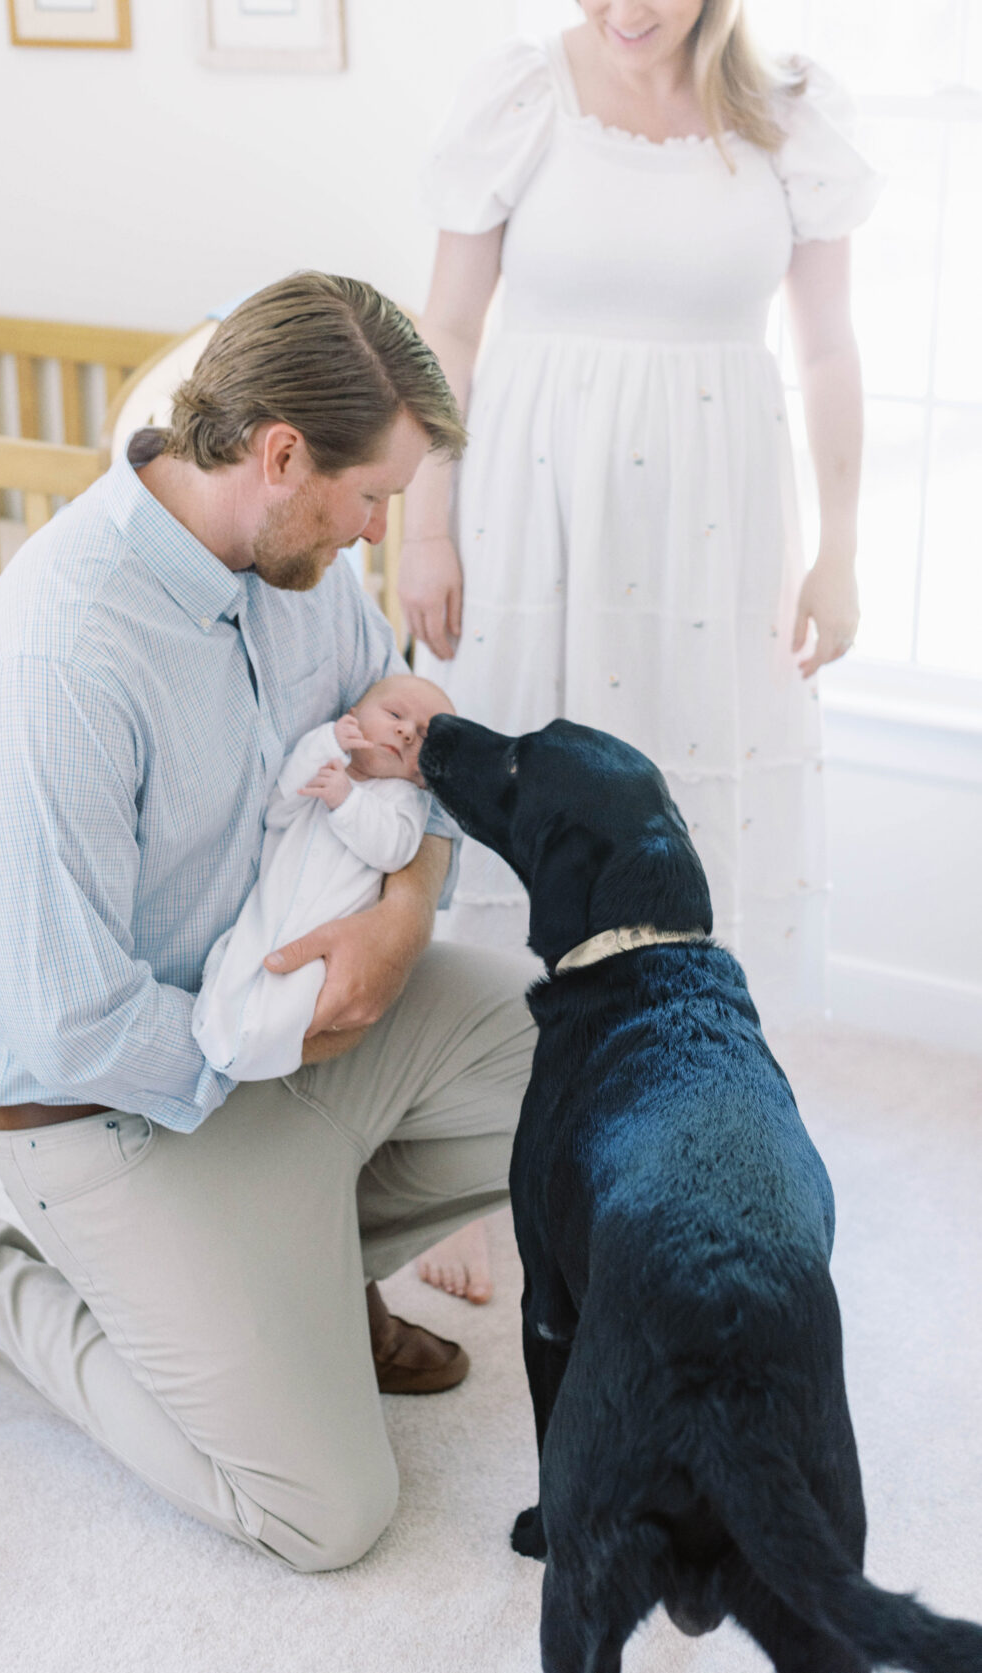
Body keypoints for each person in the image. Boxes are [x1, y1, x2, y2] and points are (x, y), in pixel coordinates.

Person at [0, 274, 537, 1573]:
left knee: (590, 1055)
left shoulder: (301, 568)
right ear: (282, 457)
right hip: (107, 1105)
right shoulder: (55, 667)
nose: (376, 533)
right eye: (372, 501)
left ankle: (292, 1274)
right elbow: (68, 1029)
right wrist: (288, 1034)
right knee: (326, 1514)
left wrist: (397, 927)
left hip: (287, 1038)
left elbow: (409, 749)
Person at [404, 0, 881, 1305]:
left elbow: (829, 345)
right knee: (527, 828)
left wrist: (839, 547)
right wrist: (424, 522)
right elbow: (445, 326)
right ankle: (479, 1177)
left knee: (692, 831)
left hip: (713, 532)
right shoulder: (519, 98)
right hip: (535, 509)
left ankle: (674, 1156)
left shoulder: (787, 115)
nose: (623, 10)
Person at [192, 672, 455, 1080]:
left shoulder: (404, 799)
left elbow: (393, 850)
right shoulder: (328, 764)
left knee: (299, 992)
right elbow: (280, 809)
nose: (405, 732)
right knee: (237, 962)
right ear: (353, 717)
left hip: (329, 925)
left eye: (422, 736)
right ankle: (219, 1035)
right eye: (394, 714)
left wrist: (346, 801)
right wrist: (325, 744)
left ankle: (258, 1052)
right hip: (271, 906)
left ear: (424, 773)